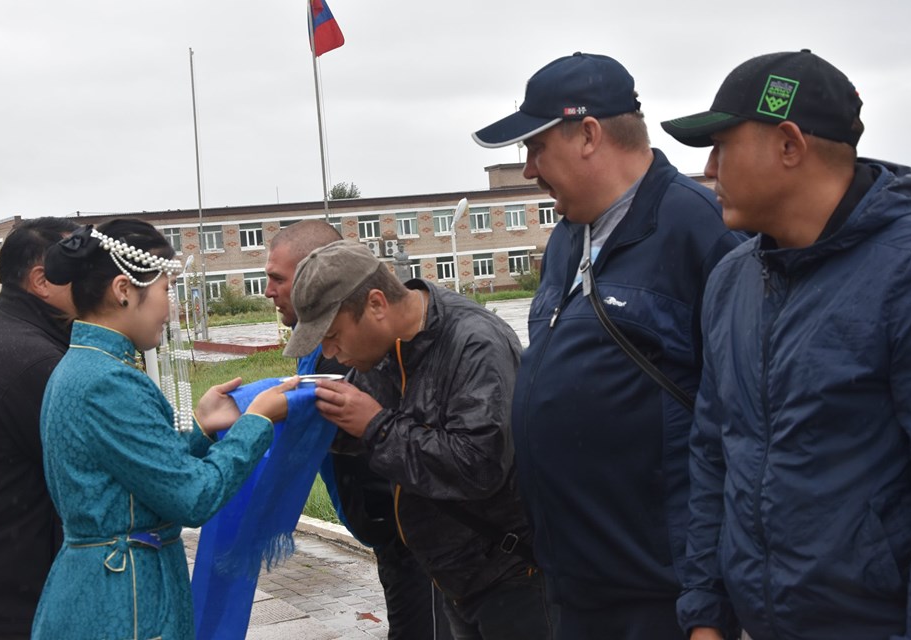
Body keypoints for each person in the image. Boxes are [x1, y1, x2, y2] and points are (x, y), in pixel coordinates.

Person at [661, 49, 911, 640]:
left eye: (722, 145)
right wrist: (704, 610)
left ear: (789, 144)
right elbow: (712, 451)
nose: (708, 168)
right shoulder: (731, 279)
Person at [471, 52, 741, 639]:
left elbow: (738, 423)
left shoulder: (703, 231)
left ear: (589, 134)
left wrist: (710, 601)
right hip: (574, 581)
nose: (528, 170)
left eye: (537, 147)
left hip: (661, 591)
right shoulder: (568, 238)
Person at [30, 219, 296, 640]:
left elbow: (139, 475)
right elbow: (193, 497)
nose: (171, 309)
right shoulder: (108, 381)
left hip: (104, 584)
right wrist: (256, 422)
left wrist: (201, 429)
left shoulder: (87, 365)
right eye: (166, 290)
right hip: (125, 598)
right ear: (123, 290)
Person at [284, 240, 551, 640]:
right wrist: (293, 410)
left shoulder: (474, 343)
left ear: (376, 304)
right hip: (453, 578)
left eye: (333, 335)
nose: (331, 353)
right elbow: (355, 427)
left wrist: (376, 425)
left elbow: (479, 465)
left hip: (513, 577)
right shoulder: (386, 347)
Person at [265, 220, 448, 639]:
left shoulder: (359, 349)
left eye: (278, 278)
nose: (269, 291)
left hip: (410, 534)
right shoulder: (323, 345)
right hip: (387, 532)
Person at [0, 218, 78, 639]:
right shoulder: (31, 360)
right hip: (11, 597)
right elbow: (107, 467)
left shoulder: (10, 334)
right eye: (81, 268)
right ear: (42, 280)